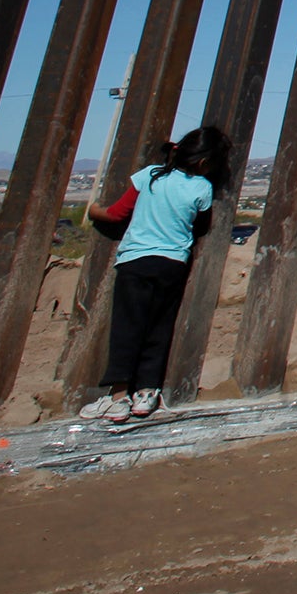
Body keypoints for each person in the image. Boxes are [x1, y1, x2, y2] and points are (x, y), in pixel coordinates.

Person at [79, 126, 231, 422]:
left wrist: (94, 211)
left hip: (136, 261)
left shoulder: (151, 175)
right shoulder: (202, 188)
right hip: (173, 264)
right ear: (205, 164)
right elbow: (201, 226)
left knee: (127, 326)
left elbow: (117, 214)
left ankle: (118, 396)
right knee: (160, 327)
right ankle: (147, 394)